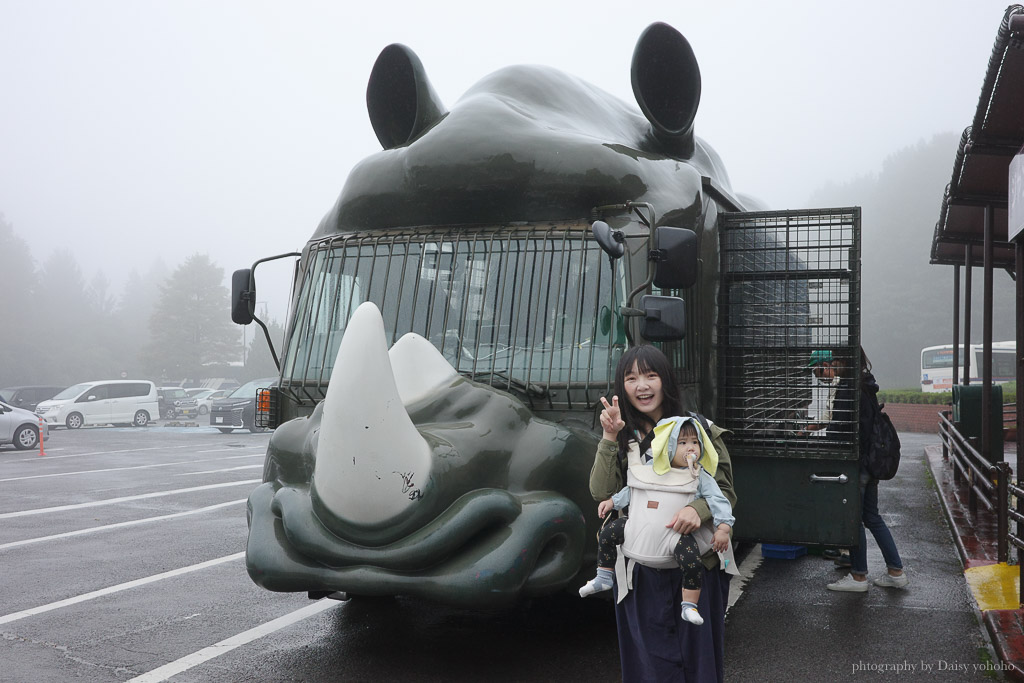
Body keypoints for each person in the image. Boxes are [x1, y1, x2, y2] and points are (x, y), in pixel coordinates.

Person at [589, 344, 737, 682]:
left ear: (665, 380)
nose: (642, 386)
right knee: (648, 664)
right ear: (621, 386)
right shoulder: (622, 434)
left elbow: (725, 489)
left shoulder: (700, 429)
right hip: (640, 568)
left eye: (650, 375)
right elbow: (601, 493)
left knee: (699, 663)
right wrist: (609, 436)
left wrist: (697, 509)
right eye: (631, 378)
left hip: (697, 564)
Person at [579, 416, 735, 626]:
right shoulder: (652, 468)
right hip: (637, 528)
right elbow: (633, 490)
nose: (690, 448)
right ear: (668, 445)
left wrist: (723, 528)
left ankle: (689, 605)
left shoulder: (700, 476)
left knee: (691, 562)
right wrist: (613, 502)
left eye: (695, 442)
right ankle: (603, 577)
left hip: (675, 535)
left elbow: (719, 500)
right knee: (608, 533)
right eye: (682, 443)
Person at [805, 348, 908, 592]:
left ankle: (859, 576)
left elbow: (842, 428)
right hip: (871, 460)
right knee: (872, 516)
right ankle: (896, 571)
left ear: (838, 361)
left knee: (853, 519)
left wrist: (823, 444)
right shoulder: (866, 385)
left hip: (858, 463)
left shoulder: (849, 389)